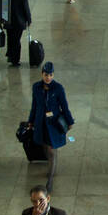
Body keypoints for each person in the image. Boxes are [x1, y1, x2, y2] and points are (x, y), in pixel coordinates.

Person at [27, 61, 74, 194]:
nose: (48, 77)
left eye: (50, 75)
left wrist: (69, 121)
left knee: (52, 149)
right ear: (42, 74)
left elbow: (64, 106)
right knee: (46, 146)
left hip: (53, 123)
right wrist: (31, 120)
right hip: (41, 122)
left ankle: (51, 178)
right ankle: (51, 166)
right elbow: (34, 106)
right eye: (46, 74)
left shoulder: (58, 88)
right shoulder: (36, 87)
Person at [6, 0, 31, 67]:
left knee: (10, 39)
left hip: (8, 22)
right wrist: (29, 20)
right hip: (19, 23)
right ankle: (15, 60)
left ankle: (11, 57)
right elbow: (26, 10)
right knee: (16, 41)